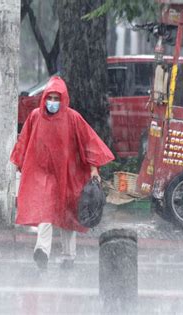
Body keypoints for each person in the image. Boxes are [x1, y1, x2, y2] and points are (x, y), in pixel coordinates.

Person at [10, 76, 114, 270]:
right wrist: (20, 162)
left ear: (64, 99)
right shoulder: (35, 116)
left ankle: (68, 256)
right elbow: (24, 141)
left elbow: (88, 143)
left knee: (68, 217)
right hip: (42, 174)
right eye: (50, 97)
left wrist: (93, 170)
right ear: (44, 98)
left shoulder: (73, 118)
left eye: (57, 98)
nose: (53, 102)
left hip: (69, 174)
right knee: (44, 212)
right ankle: (42, 250)